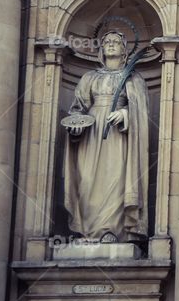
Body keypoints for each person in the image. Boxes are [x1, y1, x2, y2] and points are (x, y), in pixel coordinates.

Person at [63, 31, 150, 242]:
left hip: (117, 136)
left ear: (124, 50)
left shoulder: (133, 78)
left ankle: (111, 230)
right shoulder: (89, 78)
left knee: (115, 178)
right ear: (101, 49)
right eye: (107, 42)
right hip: (91, 135)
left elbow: (141, 111)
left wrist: (125, 114)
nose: (110, 45)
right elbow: (78, 108)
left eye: (116, 42)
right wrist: (76, 126)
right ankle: (88, 231)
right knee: (87, 180)